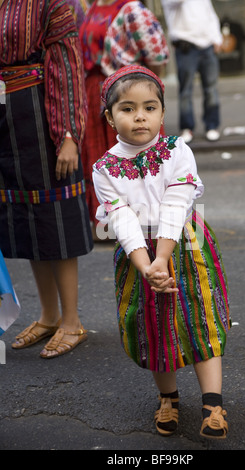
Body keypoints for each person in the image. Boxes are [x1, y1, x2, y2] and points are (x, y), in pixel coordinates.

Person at [92, 65, 231, 439]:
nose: (140, 116)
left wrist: (162, 257)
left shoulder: (176, 150)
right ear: (109, 116)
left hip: (184, 246)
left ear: (162, 113)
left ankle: (212, 404)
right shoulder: (104, 168)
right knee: (151, 325)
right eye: (127, 108)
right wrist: (146, 266)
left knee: (200, 320)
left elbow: (176, 203)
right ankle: (167, 398)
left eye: (150, 107)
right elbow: (119, 219)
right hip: (138, 257)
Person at [0, 0, 93, 359]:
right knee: (26, 219)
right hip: (7, 122)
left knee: (56, 217)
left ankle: (72, 321)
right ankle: (49, 316)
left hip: (43, 119)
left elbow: (67, 70)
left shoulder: (53, 4)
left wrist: (68, 135)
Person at [79, 0, 169, 240]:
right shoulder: (94, 7)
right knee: (103, 158)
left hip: (126, 94)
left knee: (136, 157)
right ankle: (109, 223)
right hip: (94, 90)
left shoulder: (131, 9)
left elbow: (157, 54)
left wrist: (140, 92)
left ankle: (145, 225)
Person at [161, 0, 223, 143]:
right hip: (186, 47)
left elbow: (210, 15)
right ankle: (187, 127)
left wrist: (217, 38)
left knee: (211, 89)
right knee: (186, 91)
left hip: (208, 46)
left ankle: (212, 125)